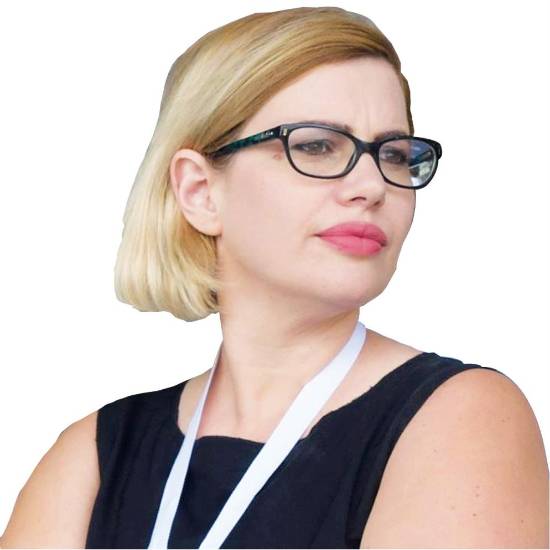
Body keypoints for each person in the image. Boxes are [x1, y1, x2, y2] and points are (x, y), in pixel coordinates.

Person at [1, 6, 548, 549]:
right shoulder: (94, 455)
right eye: (315, 145)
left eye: (396, 155)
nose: (372, 186)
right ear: (200, 192)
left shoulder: (462, 416)